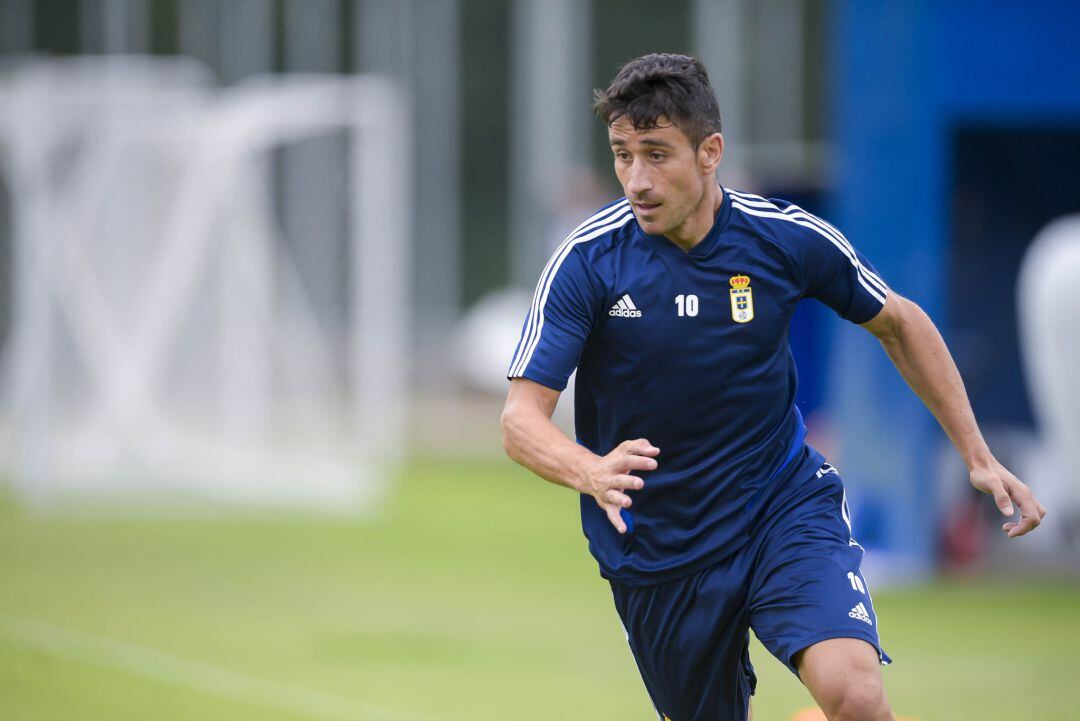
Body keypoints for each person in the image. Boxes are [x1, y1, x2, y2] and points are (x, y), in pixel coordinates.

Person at [499, 53, 1046, 721]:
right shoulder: (588, 260)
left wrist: (978, 456)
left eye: (656, 154)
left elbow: (900, 323)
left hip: (780, 508)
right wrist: (590, 469)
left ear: (710, 152)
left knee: (857, 698)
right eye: (621, 155)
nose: (636, 179)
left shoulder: (784, 238)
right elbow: (519, 418)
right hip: (658, 547)